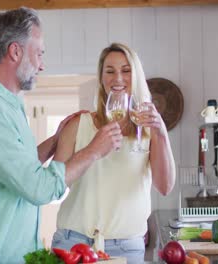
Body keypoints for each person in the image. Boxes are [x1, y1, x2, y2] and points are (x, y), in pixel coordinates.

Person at [0, 8, 123, 264]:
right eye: (38, 53)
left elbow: (16, 168)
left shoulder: (8, 104)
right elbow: (38, 187)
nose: (42, 64)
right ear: (15, 52)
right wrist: (94, 150)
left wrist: (54, 141)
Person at [51, 43, 176, 263]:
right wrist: (92, 150)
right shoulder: (78, 125)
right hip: (73, 243)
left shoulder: (149, 129)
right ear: (101, 78)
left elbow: (164, 187)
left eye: (126, 71)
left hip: (126, 247)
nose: (118, 78)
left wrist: (161, 133)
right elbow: (54, 186)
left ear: (136, 76)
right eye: (110, 71)